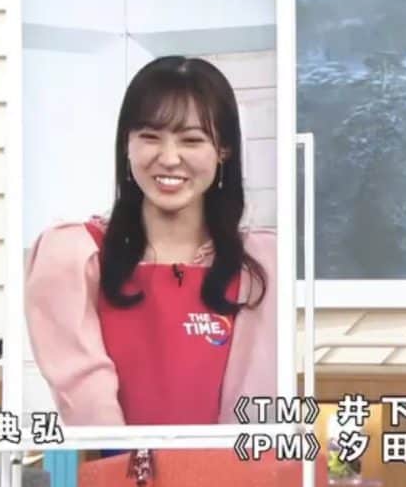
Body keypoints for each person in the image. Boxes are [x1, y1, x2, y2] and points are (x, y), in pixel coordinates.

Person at [25, 56, 277, 426]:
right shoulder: (73, 254)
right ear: (126, 144)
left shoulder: (262, 263)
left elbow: (255, 413)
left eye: (192, 140)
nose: (169, 158)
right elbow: (89, 407)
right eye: (150, 137)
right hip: (114, 464)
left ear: (224, 150)